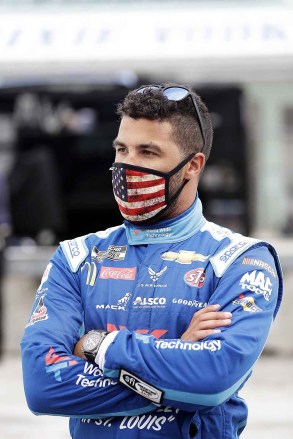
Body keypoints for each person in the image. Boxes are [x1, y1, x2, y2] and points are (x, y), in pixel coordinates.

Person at [21, 83, 283, 438]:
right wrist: (175, 368)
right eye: (122, 149)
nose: (128, 165)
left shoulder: (241, 260)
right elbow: (42, 385)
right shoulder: (77, 257)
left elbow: (212, 380)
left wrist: (99, 345)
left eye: (147, 152)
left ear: (193, 166)